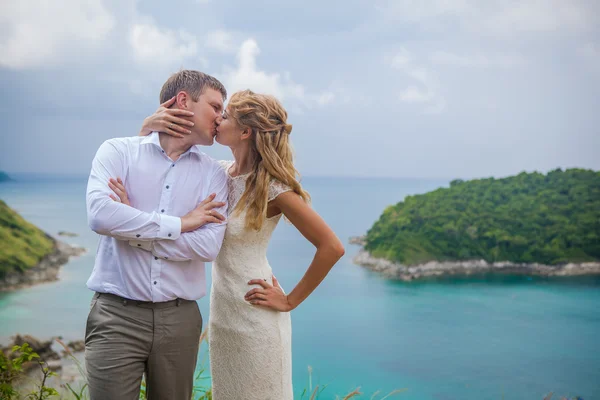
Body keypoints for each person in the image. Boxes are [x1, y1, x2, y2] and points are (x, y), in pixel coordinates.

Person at [115, 89, 345, 399]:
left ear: (245, 131)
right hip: (223, 317)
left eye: (226, 116)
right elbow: (164, 174)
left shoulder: (275, 189)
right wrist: (146, 132)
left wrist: (290, 301)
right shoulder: (218, 173)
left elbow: (331, 247)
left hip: (257, 314)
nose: (218, 119)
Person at [84, 70, 229, 400]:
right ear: (183, 101)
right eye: (216, 106)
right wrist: (182, 223)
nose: (222, 117)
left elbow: (207, 246)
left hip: (180, 320)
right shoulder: (118, 152)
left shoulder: (214, 175)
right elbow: (101, 215)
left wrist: (132, 229)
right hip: (115, 316)